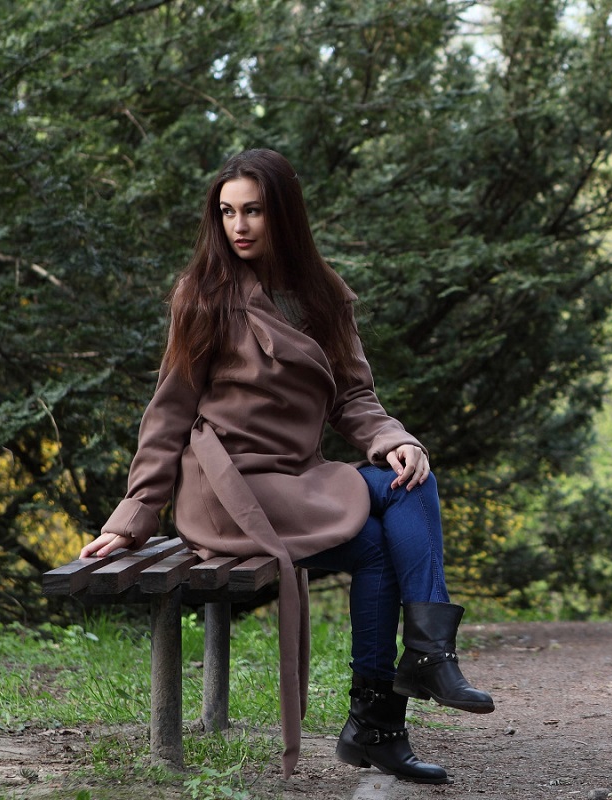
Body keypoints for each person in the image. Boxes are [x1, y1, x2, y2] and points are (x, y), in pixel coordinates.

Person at [80, 148, 492, 784]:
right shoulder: (204, 296)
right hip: (227, 487)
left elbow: (354, 398)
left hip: (299, 476)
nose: (238, 226)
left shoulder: (324, 295)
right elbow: (168, 414)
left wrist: (393, 437)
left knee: (408, 482)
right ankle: (410, 683)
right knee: (383, 528)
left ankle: (394, 703)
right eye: (227, 213)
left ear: (285, 216)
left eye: (254, 211)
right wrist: (132, 517)